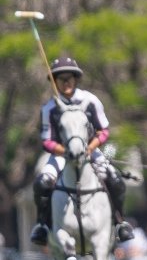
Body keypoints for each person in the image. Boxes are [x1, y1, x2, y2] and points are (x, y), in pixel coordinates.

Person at [30, 56, 134, 246]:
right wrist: (64, 151)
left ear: (76, 79)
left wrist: (89, 148)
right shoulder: (49, 108)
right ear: (55, 82)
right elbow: (46, 140)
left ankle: (120, 222)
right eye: (61, 79)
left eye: (69, 78)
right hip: (61, 155)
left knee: (115, 180)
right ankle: (42, 225)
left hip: (90, 151)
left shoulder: (90, 101)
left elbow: (103, 131)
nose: (66, 82)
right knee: (42, 183)